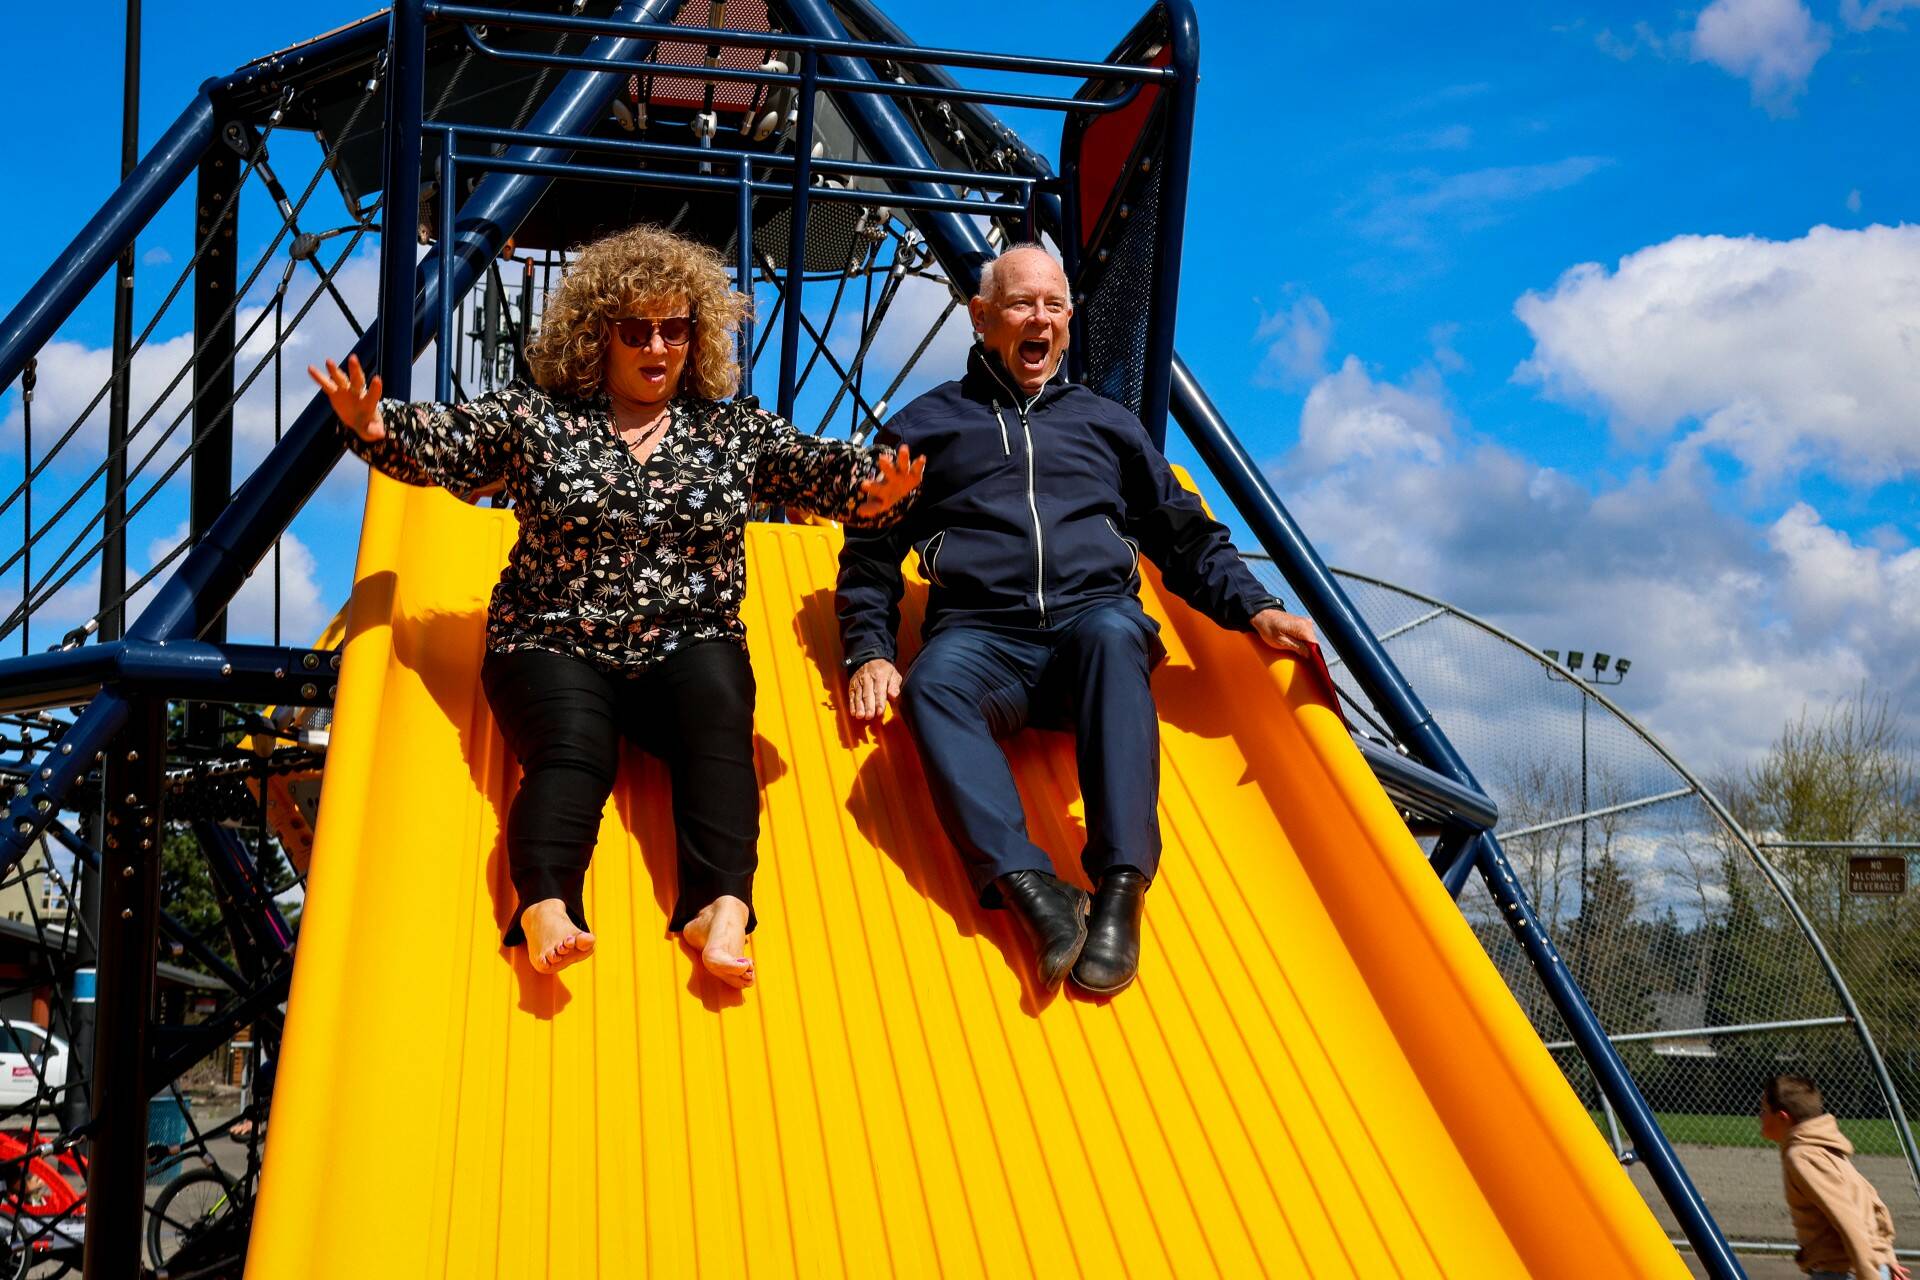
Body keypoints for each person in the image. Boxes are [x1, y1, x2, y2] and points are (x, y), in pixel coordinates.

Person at [312, 224, 922, 986]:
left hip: (686, 637)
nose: (658, 348)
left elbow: (818, 468)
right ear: (598, 336)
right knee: (572, 749)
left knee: (720, 713)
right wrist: (376, 427)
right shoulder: (541, 419)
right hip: (551, 634)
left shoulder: (729, 430)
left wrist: (875, 490)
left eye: (675, 329)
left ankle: (719, 905)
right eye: (638, 331)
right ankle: (546, 904)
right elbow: (453, 441)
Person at [835, 243, 1315, 995]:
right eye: (1024, 304)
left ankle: (1120, 887)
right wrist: (868, 650)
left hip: (1090, 636)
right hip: (982, 637)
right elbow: (868, 553)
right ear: (983, 317)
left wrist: (1255, 607)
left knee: (1114, 631)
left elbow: (1183, 534)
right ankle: (1035, 891)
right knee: (933, 686)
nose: (1042, 319)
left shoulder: (1106, 424)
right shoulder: (923, 428)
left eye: (1054, 306)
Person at [1760, 1074, 1907, 1280]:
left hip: (1842, 1271)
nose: (1760, 1117)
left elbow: (1846, 1217)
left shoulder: (1802, 1156)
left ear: (1783, 1117)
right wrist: (1885, 1253)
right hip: (1863, 1265)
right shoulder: (1824, 1148)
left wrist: (1869, 1273)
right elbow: (1870, 1200)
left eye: (1764, 1111)